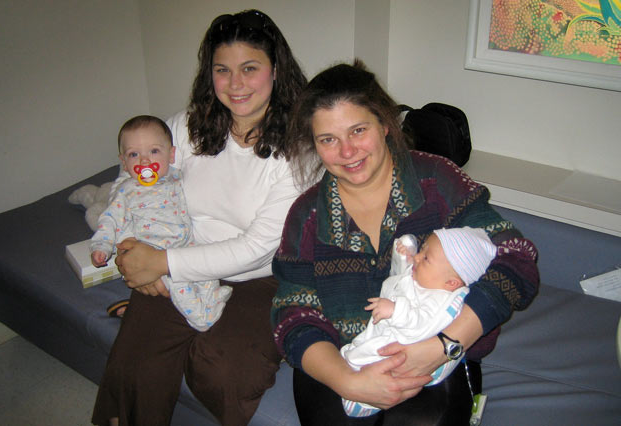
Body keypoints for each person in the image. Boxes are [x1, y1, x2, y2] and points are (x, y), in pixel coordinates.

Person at [271, 60, 539, 426]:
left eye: (358, 130)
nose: (347, 151)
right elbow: (292, 313)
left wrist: (444, 345)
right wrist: (347, 380)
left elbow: (516, 258)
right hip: (341, 360)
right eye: (328, 139)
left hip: (436, 355)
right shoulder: (307, 216)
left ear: (384, 124)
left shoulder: (436, 182)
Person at [91, 9, 307, 426]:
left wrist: (161, 263)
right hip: (178, 251)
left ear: (276, 71)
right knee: (137, 366)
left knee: (225, 373)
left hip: (261, 277)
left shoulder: (299, 151)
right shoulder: (188, 126)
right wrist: (133, 248)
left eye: (249, 68)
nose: (235, 83)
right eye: (222, 70)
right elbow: (133, 176)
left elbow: (256, 248)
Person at [90, 115, 232, 331]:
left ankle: (211, 297)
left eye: (154, 151)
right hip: (154, 255)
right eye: (134, 154)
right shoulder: (127, 190)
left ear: (171, 154)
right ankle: (203, 319)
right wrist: (101, 245)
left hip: (187, 244)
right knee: (181, 285)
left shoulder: (178, 177)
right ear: (124, 163)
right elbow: (110, 219)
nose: (144, 161)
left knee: (205, 271)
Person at [340, 227, 497, 417]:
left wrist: (395, 310)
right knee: (356, 352)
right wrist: (405, 257)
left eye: (426, 258)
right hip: (383, 334)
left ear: (451, 283)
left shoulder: (440, 300)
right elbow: (402, 280)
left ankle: (359, 400)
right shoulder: (427, 280)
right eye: (422, 250)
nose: (417, 257)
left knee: (364, 358)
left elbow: (421, 325)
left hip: (400, 348)